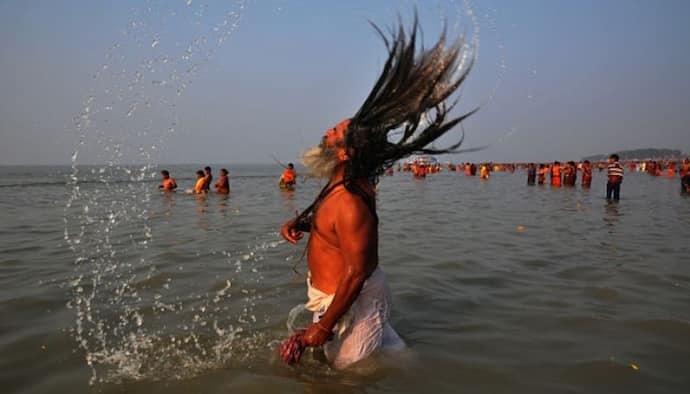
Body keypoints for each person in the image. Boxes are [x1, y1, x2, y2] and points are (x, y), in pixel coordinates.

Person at [279, 17, 476, 369]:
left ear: (343, 153)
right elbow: (329, 222)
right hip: (334, 297)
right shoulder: (338, 185)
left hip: (357, 298)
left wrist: (323, 328)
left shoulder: (351, 202)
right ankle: (415, 365)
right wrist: (301, 222)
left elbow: (357, 273)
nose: (326, 132)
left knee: (348, 374)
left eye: (333, 133)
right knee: (384, 358)